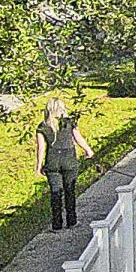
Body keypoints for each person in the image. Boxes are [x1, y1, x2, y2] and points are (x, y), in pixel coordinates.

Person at [36, 98, 90, 229]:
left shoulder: (43, 126)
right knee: (69, 190)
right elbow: (78, 138)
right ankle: (71, 221)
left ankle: (57, 223)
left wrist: (39, 166)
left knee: (55, 193)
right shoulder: (69, 122)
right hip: (69, 160)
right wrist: (88, 150)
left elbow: (41, 147)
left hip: (52, 161)